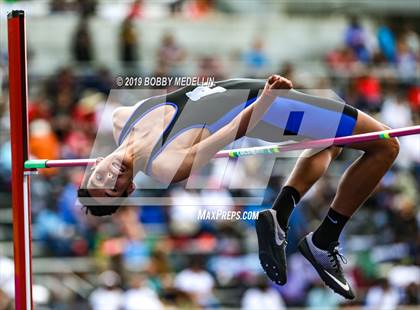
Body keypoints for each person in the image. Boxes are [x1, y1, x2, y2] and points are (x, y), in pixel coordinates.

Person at [78, 75, 400, 299]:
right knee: (386, 146)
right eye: (115, 186)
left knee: (329, 146)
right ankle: (324, 238)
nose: (111, 176)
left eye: (100, 178)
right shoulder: (165, 165)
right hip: (272, 109)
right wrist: (267, 101)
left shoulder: (123, 118)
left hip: (260, 96)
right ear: (131, 188)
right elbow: (232, 130)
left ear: (94, 165)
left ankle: (281, 215)